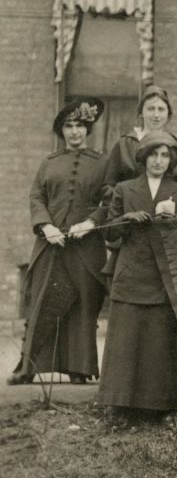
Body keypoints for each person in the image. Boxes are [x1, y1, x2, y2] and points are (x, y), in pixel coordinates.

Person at [8, 99, 107, 386]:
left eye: (80, 126)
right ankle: (27, 369)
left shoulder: (102, 163)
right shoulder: (48, 163)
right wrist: (46, 226)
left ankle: (79, 368)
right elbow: (36, 197)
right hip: (50, 245)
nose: (75, 132)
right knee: (43, 302)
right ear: (61, 130)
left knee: (83, 305)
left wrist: (90, 223)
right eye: (69, 126)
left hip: (86, 248)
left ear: (88, 130)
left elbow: (111, 199)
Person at [97, 131, 177, 420]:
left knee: (157, 341)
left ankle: (155, 407)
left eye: (165, 155)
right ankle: (121, 404)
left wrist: (172, 224)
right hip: (131, 272)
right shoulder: (124, 189)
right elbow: (109, 232)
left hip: (164, 277)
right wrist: (125, 219)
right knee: (126, 341)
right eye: (153, 154)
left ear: (172, 161)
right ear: (143, 158)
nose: (159, 161)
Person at [103, 85, 177, 194]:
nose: (156, 115)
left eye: (161, 109)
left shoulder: (174, 146)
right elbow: (109, 186)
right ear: (141, 113)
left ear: (168, 114)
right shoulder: (125, 145)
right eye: (151, 109)